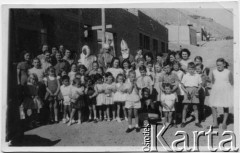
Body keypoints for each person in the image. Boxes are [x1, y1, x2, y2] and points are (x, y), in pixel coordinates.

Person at [208, 58, 233, 130]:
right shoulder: (214, 71)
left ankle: (224, 122)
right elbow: (213, 81)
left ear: (224, 64)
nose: (218, 67)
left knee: (225, 106)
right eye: (217, 65)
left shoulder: (228, 72)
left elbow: (231, 82)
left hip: (225, 90)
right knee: (213, 106)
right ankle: (215, 123)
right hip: (216, 90)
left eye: (220, 65)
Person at [180, 62, 203, 128]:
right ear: (187, 69)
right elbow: (182, 85)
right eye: (190, 69)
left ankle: (197, 121)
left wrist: (197, 90)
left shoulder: (197, 75)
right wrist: (185, 90)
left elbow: (200, 85)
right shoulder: (185, 75)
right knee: (185, 107)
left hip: (195, 90)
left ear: (195, 69)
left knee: (195, 107)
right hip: (187, 91)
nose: (191, 70)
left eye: (193, 69)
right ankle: (183, 121)